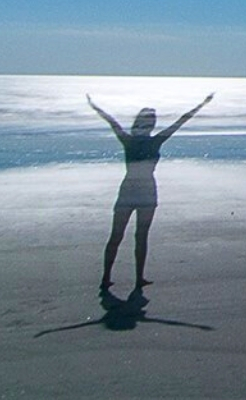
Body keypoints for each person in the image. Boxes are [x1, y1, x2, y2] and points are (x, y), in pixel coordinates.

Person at [88, 93, 213, 290]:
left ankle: (108, 278)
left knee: (117, 235)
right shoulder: (154, 141)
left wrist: (95, 107)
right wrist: (202, 104)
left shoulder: (128, 140)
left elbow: (111, 121)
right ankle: (136, 278)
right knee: (139, 236)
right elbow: (181, 121)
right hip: (146, 192)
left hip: (129, 191)